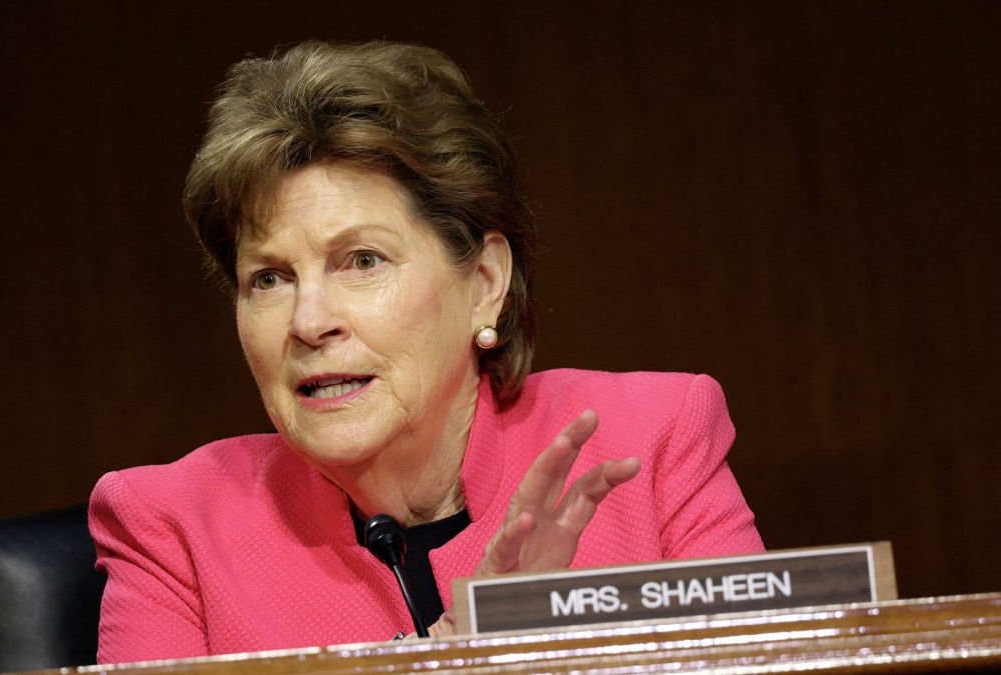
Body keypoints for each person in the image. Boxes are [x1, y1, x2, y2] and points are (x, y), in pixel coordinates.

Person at [89, 40, 763, 664]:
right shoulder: (171, 531)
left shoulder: (653, 442)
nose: (309, 321)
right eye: (269, 278)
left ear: (484, 283)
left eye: (362, 260)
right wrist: (450, 655)